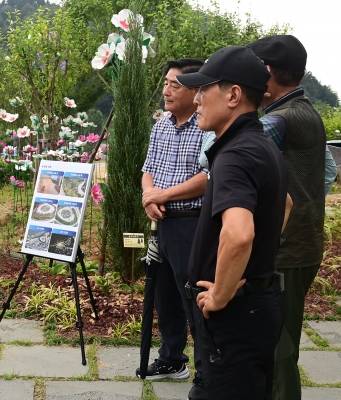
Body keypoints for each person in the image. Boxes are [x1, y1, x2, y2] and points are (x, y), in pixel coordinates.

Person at [177, 46, 290, 399]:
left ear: (233, 95)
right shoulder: (260, 144)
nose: (195, 99)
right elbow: (286, 206)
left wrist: (220, 295)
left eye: (203, 89)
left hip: (234, 316)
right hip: (257, 306)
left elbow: (239, 235)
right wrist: (251, 264)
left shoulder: (235, 155)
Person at [246, 35, 331, 400]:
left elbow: (214, 158)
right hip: (299, 245)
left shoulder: (279, 121)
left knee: (276, 350)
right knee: (278, 345)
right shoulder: (304, 111)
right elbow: (327, 174)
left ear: (265, 72)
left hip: (283, 251)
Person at [140, 58, 208, 400]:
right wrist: (147, 197)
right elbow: (148, 167)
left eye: (174, 85)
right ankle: (172, 360)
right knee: (164, 296)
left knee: (193, 299)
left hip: (191, 224)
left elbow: (208, 179)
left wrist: (161, 195)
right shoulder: (161, 125)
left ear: (196, 89)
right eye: (166, 83)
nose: (166, 90)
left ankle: (206, 372)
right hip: (162, 224)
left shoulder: (207, 126)